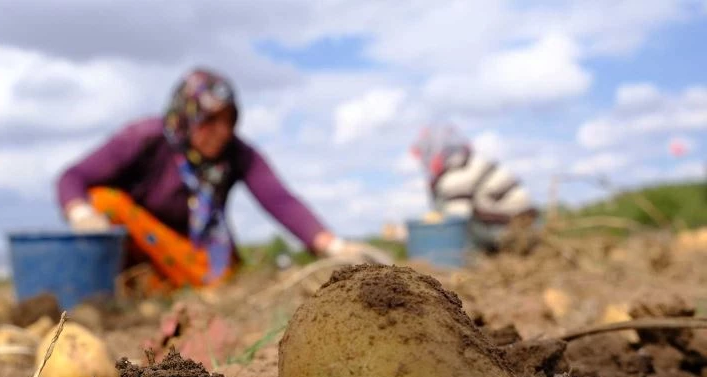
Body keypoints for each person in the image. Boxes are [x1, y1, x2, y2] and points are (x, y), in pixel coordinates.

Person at [57, 68, 391, 292]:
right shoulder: (145, 139)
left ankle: (196, 284)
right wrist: (81, 214)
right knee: (103, 201)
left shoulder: (236, 154)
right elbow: (73, 177)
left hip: (204, 260)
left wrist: (332, 246)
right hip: (146, 256)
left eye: (229, 121)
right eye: (210, 121)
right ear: (186, 115)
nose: (223, 132)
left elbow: (278, 199)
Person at [411, 126, 538, 252]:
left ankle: (474, 260)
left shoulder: (455, 176)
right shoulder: (468, 162)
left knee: (461, 225)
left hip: (509, 227)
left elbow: (456, 218)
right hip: (527, 221)